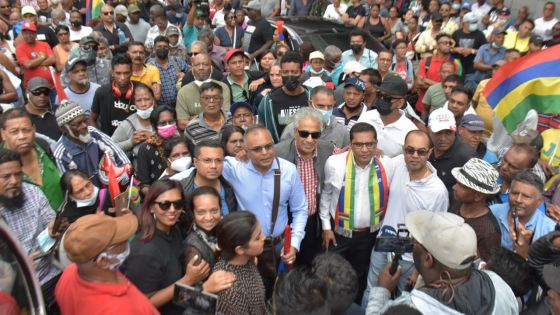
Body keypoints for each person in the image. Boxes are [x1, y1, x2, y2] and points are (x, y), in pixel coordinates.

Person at [365, 210, 519, 314]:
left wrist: (381, 291)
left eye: (416, 242)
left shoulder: (411, 307)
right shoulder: (499, 285)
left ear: (427, 259)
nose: (413, 243)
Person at [362, 130, 448, 308]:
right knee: (372, 291)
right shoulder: (399, 165)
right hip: (384, 243)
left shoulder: (437, 191)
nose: (415, 156)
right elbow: (369, 159)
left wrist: (419, 270)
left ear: (429, 153)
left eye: (421, 151)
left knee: (403, 302)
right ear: (403, 150)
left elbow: (433, 234)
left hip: (411, 256)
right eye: (410, 150)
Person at [221, 125, 308, 297]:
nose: (265, 152)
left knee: (283, 294)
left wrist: (294, 243)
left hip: (281, 246)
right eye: (257, 149)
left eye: (268, 146)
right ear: (245, 151)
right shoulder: (235, 168)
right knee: (254, 294)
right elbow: (204, 163)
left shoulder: (288, 170)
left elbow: (300, 209)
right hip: (250, 250)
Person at [320, 122, 394, 301]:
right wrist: (326, 227)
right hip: (338, 234)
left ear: (376, 145)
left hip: (369, 236)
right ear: (351, 145)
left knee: (359, 275)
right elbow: (326, 195)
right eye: (359, 144)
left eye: (370, 144)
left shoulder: (387, 164)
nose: (364, 149)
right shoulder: (335, 163)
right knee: (331, 275)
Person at [123, 179, 210, 314]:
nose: (172, 210)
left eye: (178, 204)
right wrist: (188, 280)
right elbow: (143, 303)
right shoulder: (144, 251)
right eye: (164, 205)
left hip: (184, 300)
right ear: (151, 207)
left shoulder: (174, 229)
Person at [55, 213, 159, 315]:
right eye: (121, 241)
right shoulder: (120, 310)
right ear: (103, 261)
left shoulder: (68, 274)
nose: (127, 240)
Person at [0, 148, 61, 312]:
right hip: (18, 293)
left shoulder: (32, 192)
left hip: (52, 273)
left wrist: (55, 226)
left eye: (18, 174)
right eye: (6, 177)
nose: (14, 181)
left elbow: (51, 221)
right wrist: (18, 269)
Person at [276, 107, 334, 265]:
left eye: (315, 134)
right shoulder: (278, 152)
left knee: (310, 265)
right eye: (304, 133)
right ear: (295, 131)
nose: (310, 139)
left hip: (313, 222)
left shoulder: (327, 148)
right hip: (287, 222)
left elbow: (348, 154)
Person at [53, 101, 131, 188]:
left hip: (113, 187)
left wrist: (127, 172)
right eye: (78, 124)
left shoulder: (94, 133)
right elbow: (71, 188)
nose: (84, 126)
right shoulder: (61, 154)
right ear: (64, 128)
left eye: (85, 120)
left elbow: (120, 157)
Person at [0, 108, 64, 209]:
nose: (22, 136)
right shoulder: (1, 164)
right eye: (14, 132)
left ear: (33, 129)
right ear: (3, 134)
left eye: (26, 130)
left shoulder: (45, 147)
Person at [490, 172, 556, 259]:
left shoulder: (549, 230)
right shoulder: (492, 212)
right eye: (514, 193)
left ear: (539, 201)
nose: (518, 200)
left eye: (526, 196)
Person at [451, 158, 501, 261]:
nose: (454, 187)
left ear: (478, 196)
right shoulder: (456, 203)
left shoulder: (489, 232)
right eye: (457, 182)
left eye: (461, 186)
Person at [359, 74, 417, 158]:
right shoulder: (366, 117)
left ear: (400, 103)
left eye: (387, 98)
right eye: (380, 95)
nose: (382, 99)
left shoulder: (410, 132)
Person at [258, 51, 310, 143]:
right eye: (286, 72)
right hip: (280, 153)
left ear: (302, 73)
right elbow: (264, 133)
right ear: (281, 73)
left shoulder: (311, 96)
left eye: (294, 72)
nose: (290, 76)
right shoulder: (268, 101)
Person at [178, 139, 237, 215]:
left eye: (218, 160)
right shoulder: (181, 190)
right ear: (195, 162)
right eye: (207, 160)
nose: (213, 166)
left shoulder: (230, 187)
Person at [281, 86, 350, 149]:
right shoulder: (293, 128)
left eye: (329, 106)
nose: (326, 110)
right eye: (321, 106)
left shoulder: (342, 132)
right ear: (310, 104)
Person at [176, 53, 231, 129]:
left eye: (205, 64)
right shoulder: (183, 92)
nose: (201, 67)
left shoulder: (223, 87)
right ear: (192, 68)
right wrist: (212, 119)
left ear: (211, 68)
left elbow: (225, 117)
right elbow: (182, 124)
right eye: (197, 65)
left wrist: (194, 119)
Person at [428, 108, 474, 195]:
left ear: (455, 130)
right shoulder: (424, 147)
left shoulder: (466, 156)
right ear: (429, 130)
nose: (443, 139)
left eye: (448, 133)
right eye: (438, 133)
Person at [136, 106, 179, 193]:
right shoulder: (146, 149)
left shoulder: (181, 144)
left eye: (171, 122)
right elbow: (144, 185)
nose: (168, 125)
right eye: (163, 123)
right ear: (154, 126)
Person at [90, 54, 136, 136]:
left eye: (126, 73)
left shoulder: (141, 91)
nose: (122, 77)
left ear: (132, 72)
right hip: (109, 144)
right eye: (118, 73)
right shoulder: (101, 92)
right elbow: (92, 119)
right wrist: (101, 139)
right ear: (112, 73)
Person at [415, 33, 460, 113]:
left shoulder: (454, 64)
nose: (448, 45)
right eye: (445, 43)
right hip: (422, 106)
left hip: (442, 108)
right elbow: (419, 83)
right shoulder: (427, 60)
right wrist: (442, 86)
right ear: (438, 45)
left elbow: (453, 86)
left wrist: (427, 81)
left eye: (450, 43)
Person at [111, 83, 156, 162]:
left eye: (147, 99)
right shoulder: (127, 125)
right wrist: (130, 142)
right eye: (139, 100)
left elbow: (176, 139)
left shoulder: (162, 117)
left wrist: (154, 137)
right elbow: (110, 148)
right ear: (134, 103)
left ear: (153, 100)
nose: (143, 104)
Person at [15, 22, 55, 93]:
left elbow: (52, 59)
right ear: (22, 34)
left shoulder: (44, 44)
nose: (28, 35)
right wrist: (42, 57)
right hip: (33, 88)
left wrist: (34, 62)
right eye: (25, 33)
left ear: (35, 33)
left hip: (50, 86)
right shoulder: (19, 48)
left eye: (30, 33)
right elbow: (28, 65)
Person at [148, 36, 187, 107]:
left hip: (180, 104)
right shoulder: (150, 67)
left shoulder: (177, 61)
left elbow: (191, 72)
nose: (162, 49)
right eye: (159, 46)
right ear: (154, 49)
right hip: (160, 107)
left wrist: (185, 76)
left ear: (168, 48)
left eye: (165, 46)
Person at [451, 12, 487, 91]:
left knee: (468, 90)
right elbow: (450, 48)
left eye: (475, 22)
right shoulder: (456, 33)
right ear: (464, 23)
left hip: (472, 69)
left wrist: (472, 51)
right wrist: (456, 49)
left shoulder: (480, 34)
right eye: (472, 22)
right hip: (458, 67)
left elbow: (485, 51)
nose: (474, 24)